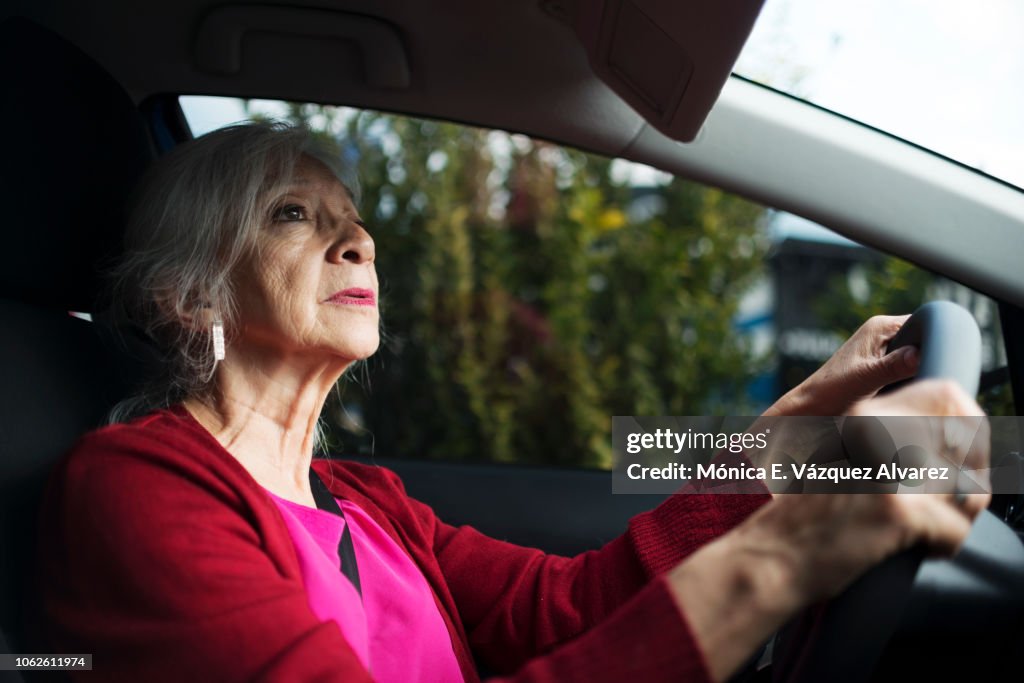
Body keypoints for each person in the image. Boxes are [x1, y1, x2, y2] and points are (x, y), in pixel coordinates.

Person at [36, 121, 990, 682]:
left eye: (355, 224)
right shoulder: (136, 489)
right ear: (189, 292)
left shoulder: (370, 504)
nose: (358, 243)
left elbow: (569, 606)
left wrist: (800, 424)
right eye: (295, 216)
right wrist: (776, 564)